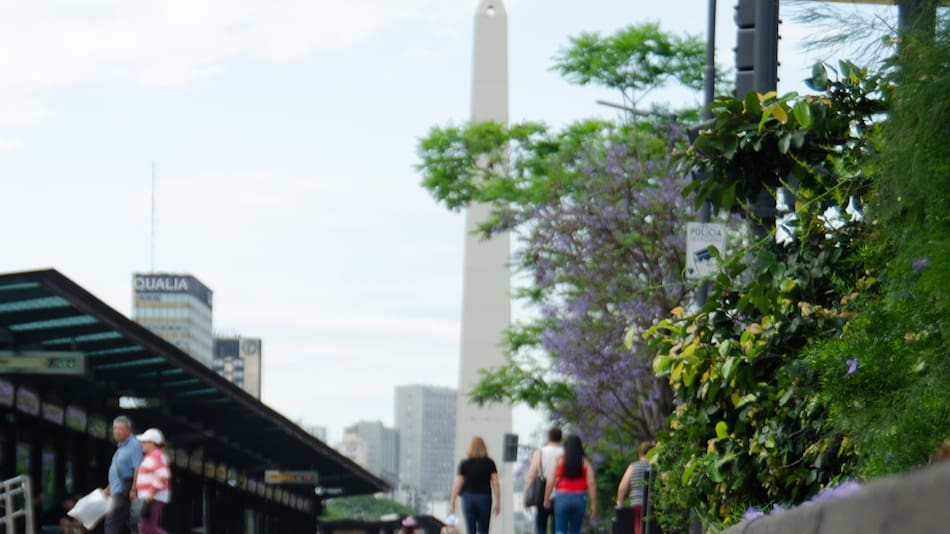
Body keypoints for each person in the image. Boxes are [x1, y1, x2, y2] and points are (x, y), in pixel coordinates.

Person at [543, 434, 596, 534]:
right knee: (575, 530)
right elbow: (591, 483)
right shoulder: (585, 462)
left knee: (560, 530)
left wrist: (546, 498)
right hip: (580, 498)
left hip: (562, 497)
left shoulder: (560, 460)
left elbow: (551, 481)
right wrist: (593, 504)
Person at [449, 436, 501, 534]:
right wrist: (498, 502)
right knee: (484, 530)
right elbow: (496, 483)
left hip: (468, 498)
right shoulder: (490, 463)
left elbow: (458, 484)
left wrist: (453, 500)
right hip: (484, 498)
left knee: (470, 530)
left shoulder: (464, 464)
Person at [103, 415, 143, 534]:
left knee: (111, 521)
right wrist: (108, 488)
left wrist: (134, 490)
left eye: (119, 429)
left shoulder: (134, 444)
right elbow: (118, 471)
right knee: (129, 523)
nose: (116, 431)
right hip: (116, 491)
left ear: (128, 430)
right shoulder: (120, 448)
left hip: (123, 492)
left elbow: (138, 468)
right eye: (114, 428)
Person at [131, 428, 171, 534]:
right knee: (144, 527)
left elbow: (163, 476)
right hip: (147, 497)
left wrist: (151, 492)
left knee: (147, 527)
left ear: (152, 443)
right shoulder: (151, 456)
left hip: (153, 497)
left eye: (144, 442)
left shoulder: (157, 455)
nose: (142, 444)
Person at [524, 427, 563, 534]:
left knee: (541, 526)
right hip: (561, 492)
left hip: (542, 491)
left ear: (549, 437)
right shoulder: (564, 452)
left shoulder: (541, 452)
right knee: (557, 527)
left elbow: (532, 473)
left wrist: (527, 492)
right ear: (561, 438)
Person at [616, 441, 655, 534]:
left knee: (638, 526)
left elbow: (623, 486)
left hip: (637, 502)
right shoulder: (654, 466)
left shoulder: (633, 466)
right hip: (651, 503)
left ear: (640, 453)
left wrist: (620, 503)